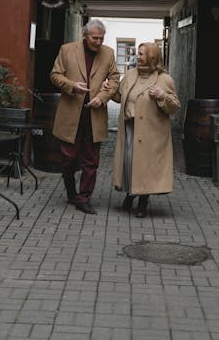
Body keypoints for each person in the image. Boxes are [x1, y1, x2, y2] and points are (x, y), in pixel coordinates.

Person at [50, 19, 120, 214]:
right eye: (94, 38)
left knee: (91, 159)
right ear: (85, 35)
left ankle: (84, 197)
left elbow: (115, 78)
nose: (98, 42)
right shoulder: (67, 50)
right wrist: (72, 85)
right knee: (68, 158)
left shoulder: (108, 53)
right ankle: (71, 191)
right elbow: (55, 75)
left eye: (101, 38)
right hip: (71, 113)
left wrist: (103, 97)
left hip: (95, 114)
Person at [110, 42, 180, 218]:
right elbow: (120, 96)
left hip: (151, 133)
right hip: (130, 127)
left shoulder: (164, 80)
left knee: (145, 167)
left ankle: (142, 202)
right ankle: (129, 193)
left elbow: (174, 106)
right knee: (130, 163)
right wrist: (110, 92)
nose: (138, 56)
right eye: (138, 54)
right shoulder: (131, 74)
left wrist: (162, 96)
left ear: (152, 58)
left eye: (141, 54)